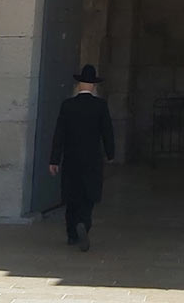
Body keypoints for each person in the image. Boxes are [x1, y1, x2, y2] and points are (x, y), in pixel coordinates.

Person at [48, 64, 114, 251]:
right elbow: (107, 132)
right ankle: (84, 223)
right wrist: (110, 154)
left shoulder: (67, 105)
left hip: (71, 158)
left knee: (71, 196)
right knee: (89, 196)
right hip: (92, 158)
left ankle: (71, 233)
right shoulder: (100, 106)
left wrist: (54, 159)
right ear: (93, 86)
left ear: (78, 85)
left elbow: (59, 133)